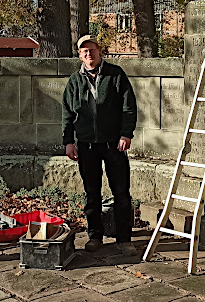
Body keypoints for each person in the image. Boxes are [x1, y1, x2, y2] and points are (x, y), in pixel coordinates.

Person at [62, 35, 138, 256]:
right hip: (86, 146)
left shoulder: (116, 75)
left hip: (114, 144)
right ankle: (95, 236)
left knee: (121, 193)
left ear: (99, 51)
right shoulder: (75, 81)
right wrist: (68, 141)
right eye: (83, 51)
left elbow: (128, 106)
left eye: (91, 50)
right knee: (91, 193)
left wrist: (126, 134)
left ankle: (124, 239)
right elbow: (67, 113)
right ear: (79, 55)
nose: (88, 54)